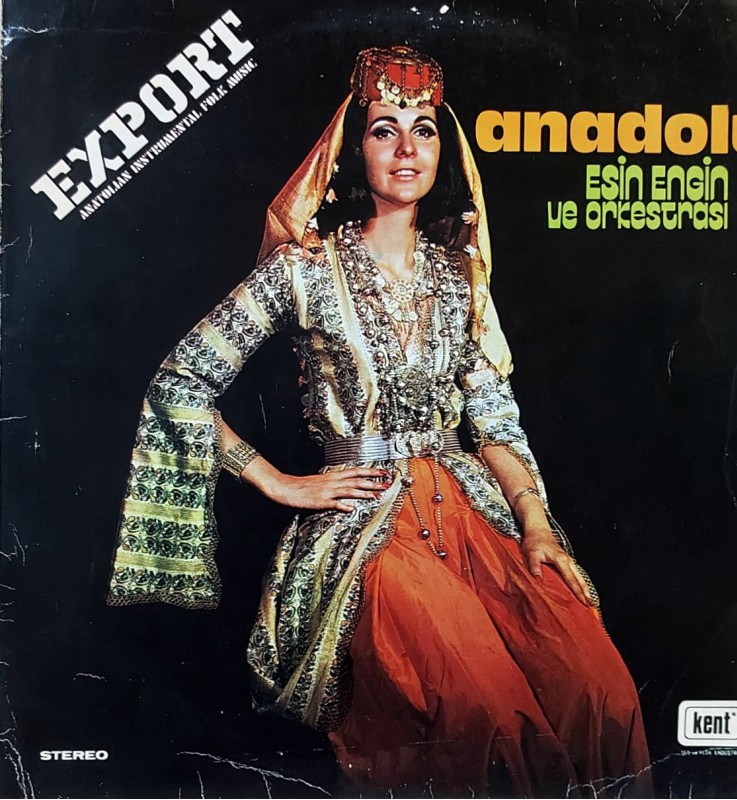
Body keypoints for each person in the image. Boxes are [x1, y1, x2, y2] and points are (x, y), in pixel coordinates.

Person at [108, 46, 652, 797]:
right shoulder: (302, 269)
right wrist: (277, 481)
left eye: (423, 130)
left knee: (602, 693)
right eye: (383, 129)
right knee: (486, 714)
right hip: (368, 526)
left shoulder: (460, 274)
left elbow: (494, 419)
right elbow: (180, 382)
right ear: (351, 150)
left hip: (475, 517)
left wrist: (534, 522)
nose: (405, 148)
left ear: (442, 151)